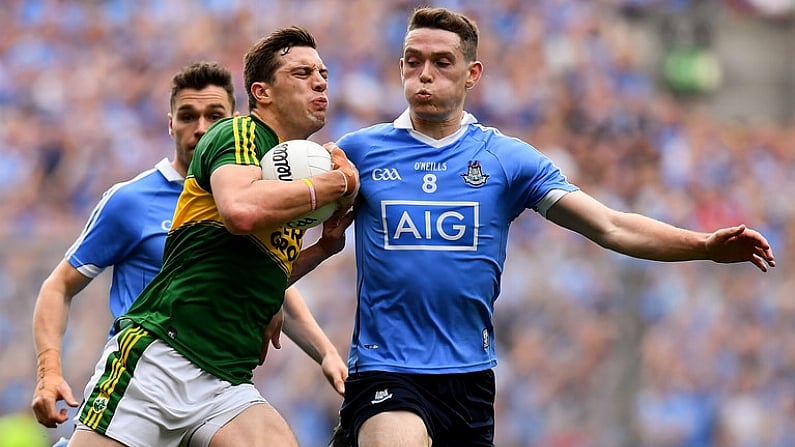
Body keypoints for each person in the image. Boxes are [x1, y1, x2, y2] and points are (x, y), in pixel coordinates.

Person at [329, 7, 776, 447]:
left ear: (472, 73)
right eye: (413, 60)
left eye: (442, 62)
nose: (424, 73)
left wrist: (702, 245)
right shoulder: (358, 154)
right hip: (385, 370)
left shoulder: (507, 159)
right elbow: (277, 226)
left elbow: (611, 225)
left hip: (468, 381)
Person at [33, 52, 353, 447]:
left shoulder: (271, 190)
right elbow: (59, 285)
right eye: (187, 116)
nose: (201, 129)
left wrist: (325, 348)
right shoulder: (132, 201)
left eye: (215, 116)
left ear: (234, 120)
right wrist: (49, 369)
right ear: (170, 124)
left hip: (223, 377)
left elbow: (271, 281)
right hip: (154, 364)